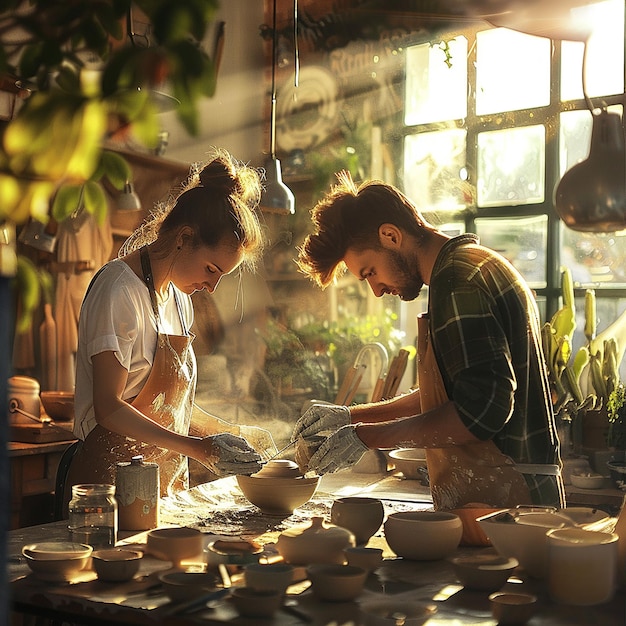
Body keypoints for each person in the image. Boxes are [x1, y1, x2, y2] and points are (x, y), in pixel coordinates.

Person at [291, 172, 564, 510]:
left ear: (390, 235)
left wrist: (367, 437)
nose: (376, 290)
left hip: (516, 504)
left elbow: (482, 413)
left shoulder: (459, 280)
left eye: (370, 272)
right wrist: (351, 417)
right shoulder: (469, 265)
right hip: (506, 497)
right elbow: (457, 394)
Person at [68, 149, 270, 498]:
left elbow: (171, 408)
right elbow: (109, 407)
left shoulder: (179, 299)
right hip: (108, 490)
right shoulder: (118, 290)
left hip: (163, 485)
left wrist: (231, 431)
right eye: (211, 269)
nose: (212, 287)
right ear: (184, 238)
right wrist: (200, 449)